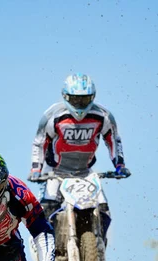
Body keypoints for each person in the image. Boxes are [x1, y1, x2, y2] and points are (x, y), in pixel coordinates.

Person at [28, 72, 131, 242]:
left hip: (85, 172)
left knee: (104, 209)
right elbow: (40, 142)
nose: (79, 104)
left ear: (93, 97)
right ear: (65, 96)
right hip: (55, 171)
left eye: (84, 99)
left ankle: (98, 247)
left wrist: (119, 165)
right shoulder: (53, 116)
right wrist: (36, 169)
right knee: (47, 208)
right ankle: (47, 250)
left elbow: (113, 140)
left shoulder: (103, 116)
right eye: (75, 99)